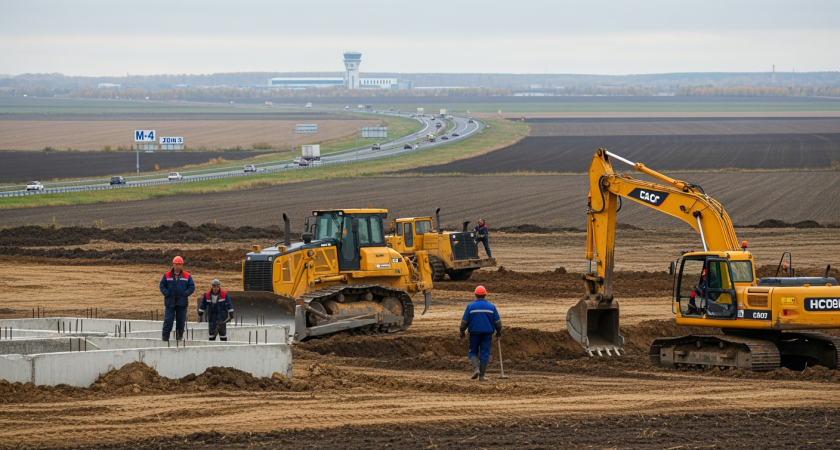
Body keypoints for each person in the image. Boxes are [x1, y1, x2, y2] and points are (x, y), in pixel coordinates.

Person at [459, 285, 502, 381]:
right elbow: (497, 322)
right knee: (485, 353)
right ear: (485, 295)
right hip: (487, 334)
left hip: (474, 333)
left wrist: (462, 331)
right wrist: (499, 331)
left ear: (475, 295)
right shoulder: (491, 307)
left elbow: (464, 322)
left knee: (473, 351)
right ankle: (482, 376)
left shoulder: (470, 306)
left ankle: (476, 369)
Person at [159, 256, 195, 341]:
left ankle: (179, 337)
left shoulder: (187, 276)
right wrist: (167, 294)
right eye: (176, 264)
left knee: (181, 320)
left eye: (179, 264)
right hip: (170, 302)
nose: (178, 266)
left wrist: (185, 294)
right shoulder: (167, 275)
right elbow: (162, 285)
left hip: (182, 302)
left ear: (182, 265)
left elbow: (192, 287)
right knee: (168, 320)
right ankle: (165, 337)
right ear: (173, 264)